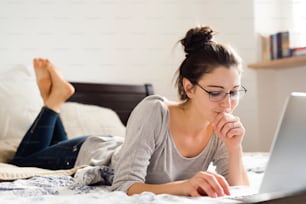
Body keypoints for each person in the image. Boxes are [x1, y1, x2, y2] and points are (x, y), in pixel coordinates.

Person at [11, 25, 249, 198]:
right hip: (87, 152)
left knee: (47, 145)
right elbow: (125, 185)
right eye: (215, 92)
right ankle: (53, 103)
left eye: (234, 92)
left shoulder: (219, 125)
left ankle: (54, 98)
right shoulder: (154, 111)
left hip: (119, 146)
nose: (227, 103)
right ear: (189, 87)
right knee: (21, 161)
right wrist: (183, 186)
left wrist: (234, 147)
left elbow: (240, 190)